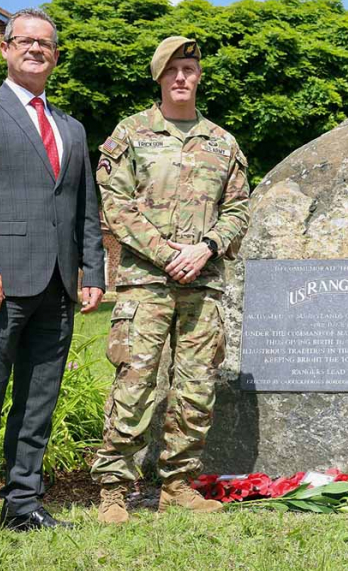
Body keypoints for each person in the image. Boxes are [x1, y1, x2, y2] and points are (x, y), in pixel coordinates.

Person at [0, 8, 105, 550]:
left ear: (55, 56)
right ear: (7, 49)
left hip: (58, 285)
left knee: (38, 402)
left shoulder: (72, 128)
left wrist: (92, 272)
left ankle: (23, 503)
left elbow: (85, 207)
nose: (36, 49)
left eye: (46, 44)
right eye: (26, 41)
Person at [90, 36, 250, 524]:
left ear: (199, 77)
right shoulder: (131, 134)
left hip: (203, 284)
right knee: (134, 384)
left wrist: (205, 248)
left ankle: (179, 484)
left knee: (196, 387)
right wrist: (165, 254)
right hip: (145, 284)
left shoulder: (222, 142)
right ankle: (115, 489)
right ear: (159, 77)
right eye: (172, 70)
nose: (182, 77)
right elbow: (115, 205)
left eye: (189, 69)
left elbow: (240, 207)